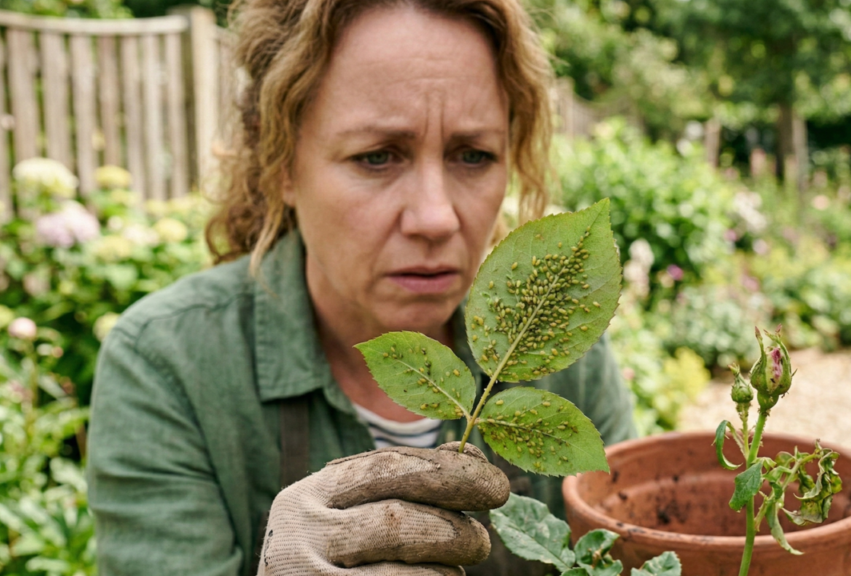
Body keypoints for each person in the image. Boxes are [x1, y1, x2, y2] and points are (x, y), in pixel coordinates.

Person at [85, 0, 636, 574]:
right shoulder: (171, 366)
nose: (436, 217)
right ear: (281, 163)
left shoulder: (560, 358)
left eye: (473, 155)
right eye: (377, 156)